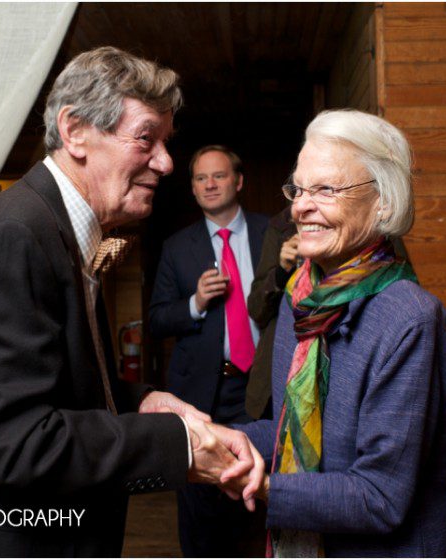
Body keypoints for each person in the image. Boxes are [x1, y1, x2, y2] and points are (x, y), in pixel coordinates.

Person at [0, 47, 263, 558]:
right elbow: (19, 444)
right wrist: (177, 444)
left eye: (165, 142)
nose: (166, 162)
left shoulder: (56, 229)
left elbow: (54, 385)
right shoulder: (12, 240)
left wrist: (143, 402)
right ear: (75, 131)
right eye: (145, 139)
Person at [238, 109, 446, 557]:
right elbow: (294, 431)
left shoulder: (411, 319)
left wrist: (261, 486)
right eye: (298, 189)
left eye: (325, 189)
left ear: (384, 201)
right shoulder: (299, 297)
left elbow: (380, 498)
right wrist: (223, 441)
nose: (300, 206)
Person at [149, 145, 268, 556]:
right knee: (201, 508)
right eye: (201, 178)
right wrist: (195, 303)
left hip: (261, 390)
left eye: (218, 176)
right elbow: (158, 320)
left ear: (238, 181)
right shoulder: (177, 247)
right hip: (203, 393)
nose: (210, 184)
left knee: (260, 496)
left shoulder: (273, 233)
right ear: (194, 189)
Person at [245, 206, 298, 421]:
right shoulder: (282, 224)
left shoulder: (359, 225)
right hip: (276, 375)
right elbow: (257, 310)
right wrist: (281, 271)